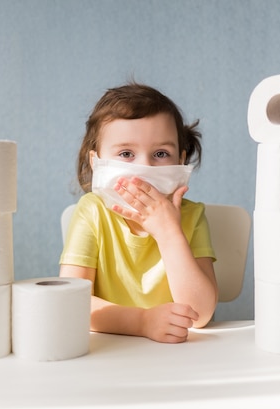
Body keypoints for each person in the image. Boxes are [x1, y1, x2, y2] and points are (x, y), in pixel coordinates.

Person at [59, 83, 217, 343]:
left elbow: (200, 314)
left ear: (180, 160)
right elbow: (71, 302)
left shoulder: (192, 216)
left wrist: (168, 233)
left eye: (160, 153)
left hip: (178, 356)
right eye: (126, 153)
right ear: (95, 161)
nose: (144, 167)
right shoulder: (93, 211)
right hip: (112, 352)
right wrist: (142, 322)